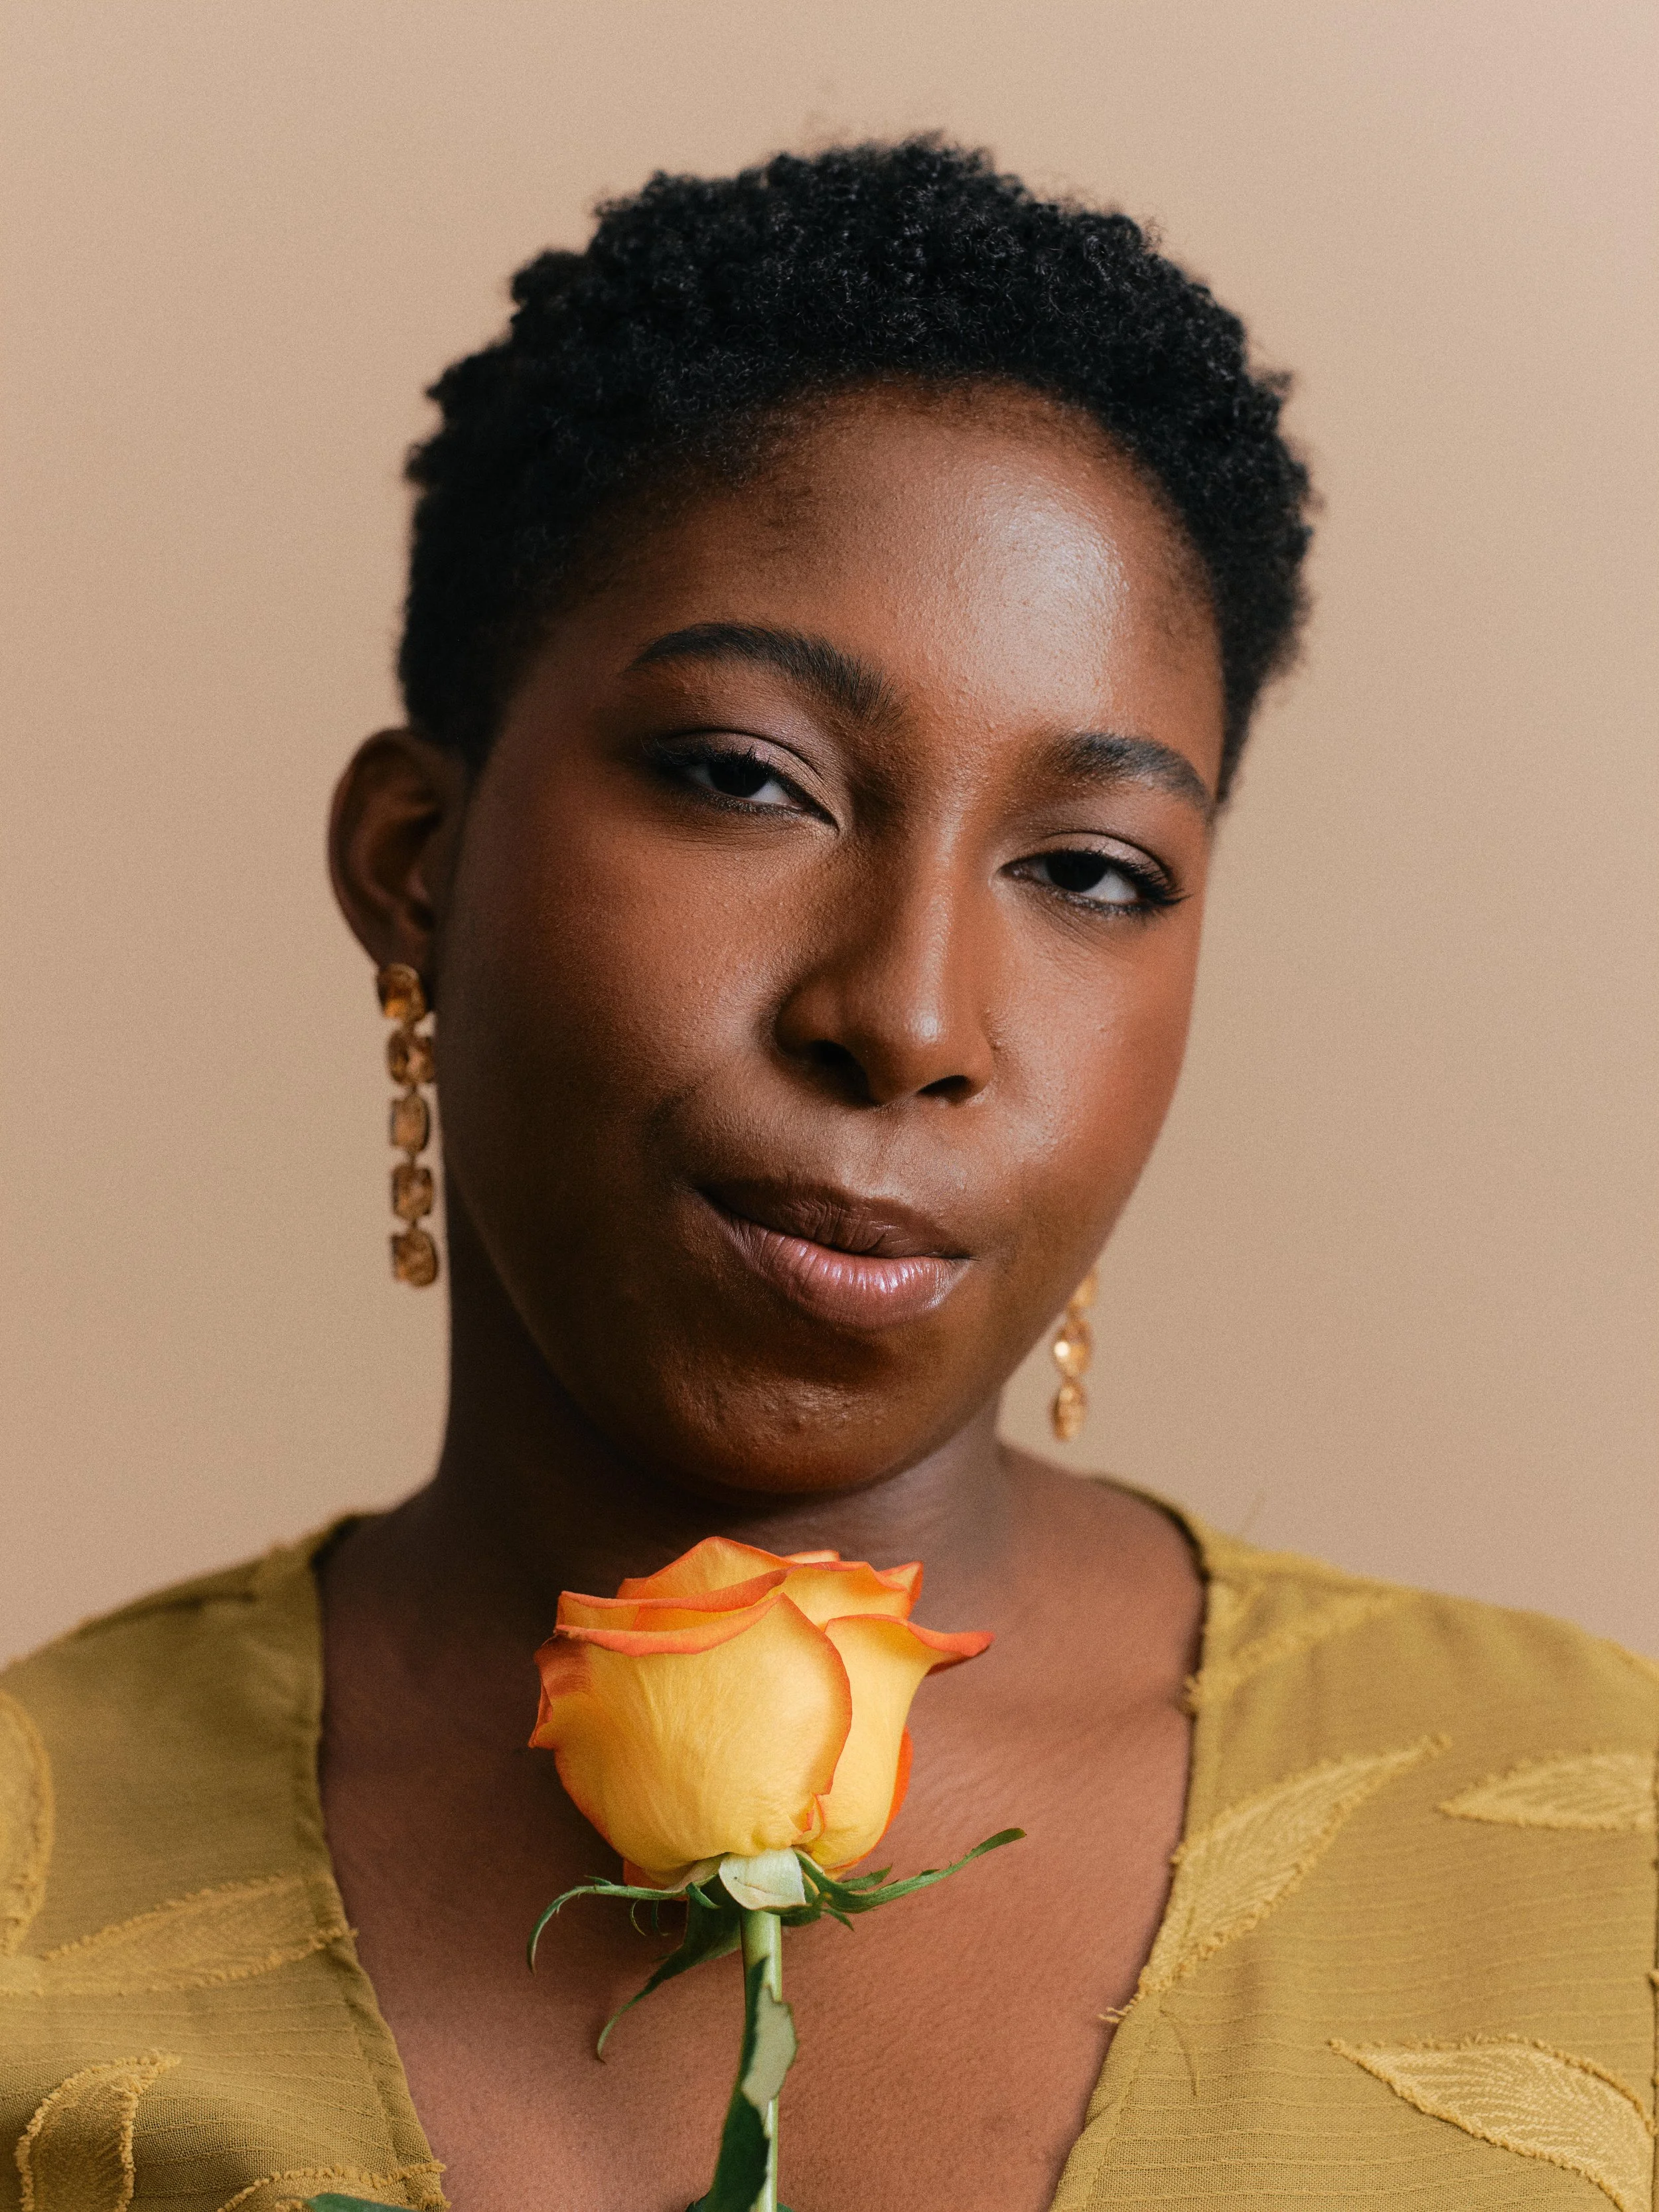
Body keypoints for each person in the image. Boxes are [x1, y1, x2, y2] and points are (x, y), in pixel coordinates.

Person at [3, 141, 1652, 2212]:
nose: (912, 1014)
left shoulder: (1588, 1868)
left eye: (1087, 870)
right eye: (746, 779)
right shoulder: (31, 1891)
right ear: (413, 864)